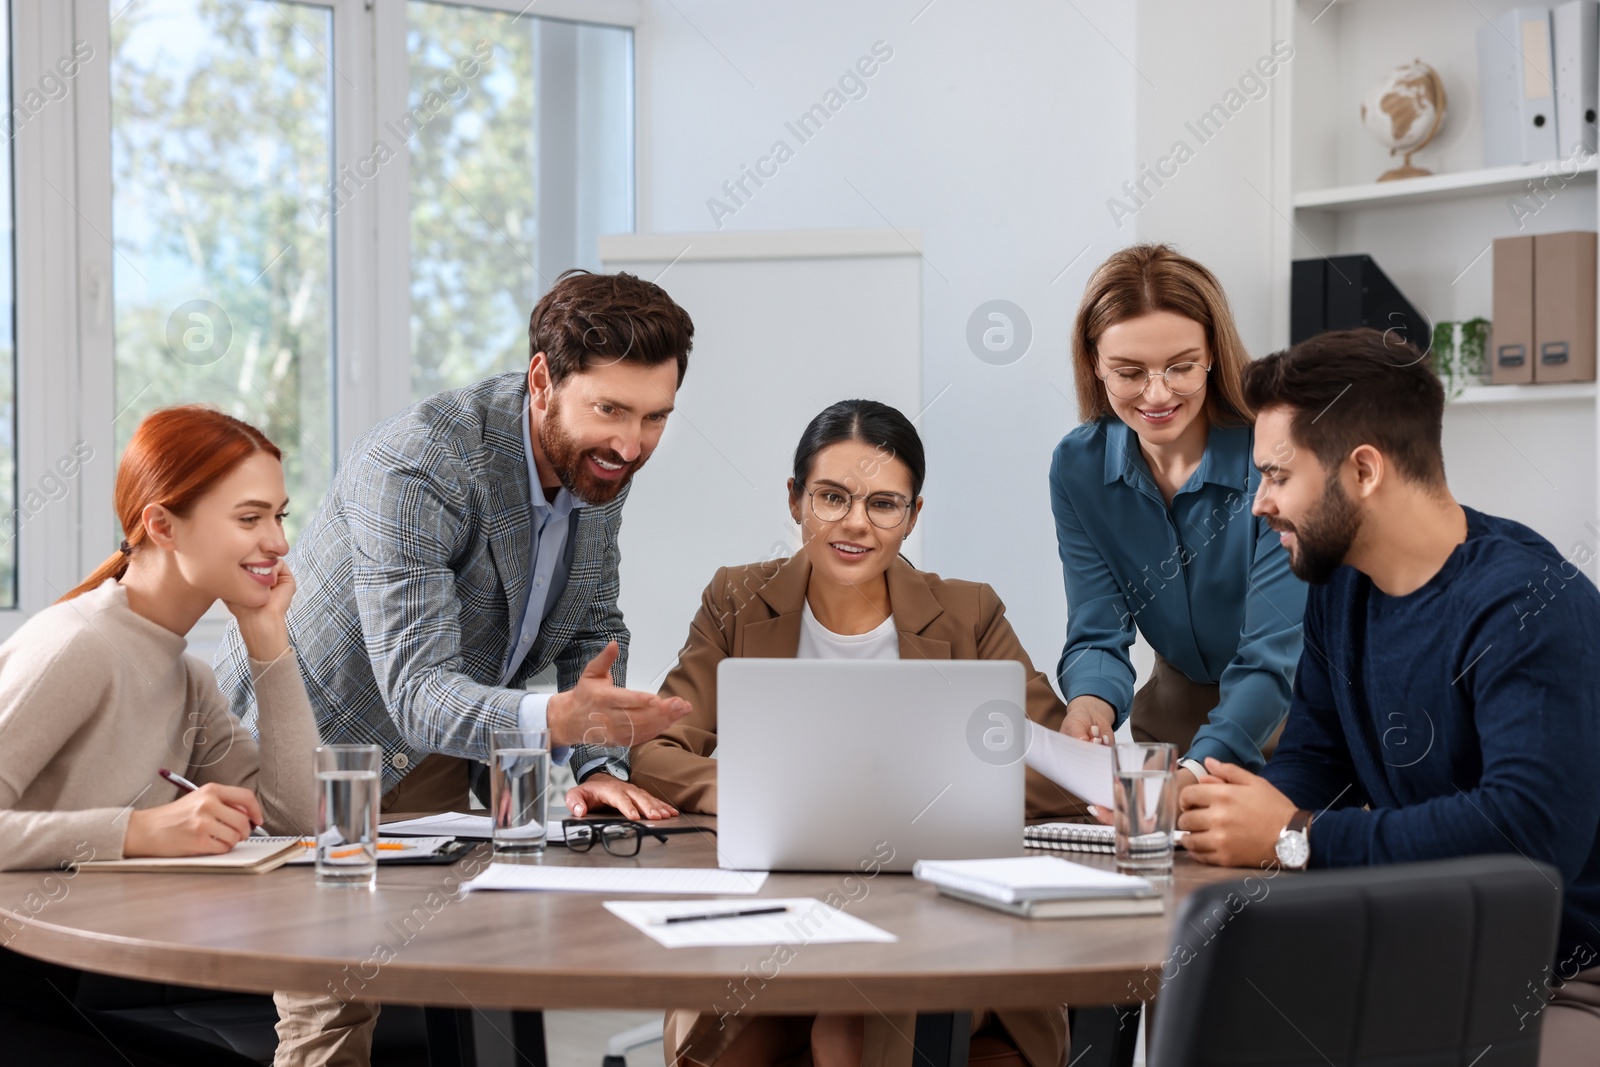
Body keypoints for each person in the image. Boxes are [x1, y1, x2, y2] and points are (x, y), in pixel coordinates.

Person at [213, 269, 696, 1067]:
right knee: (335, 1009)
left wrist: (598, 758)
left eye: (655, 417)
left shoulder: (600, 464)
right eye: (610, 409)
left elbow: (594, 627)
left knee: (501, 967)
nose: (631, 443)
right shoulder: (423, 459)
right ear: (542, 379)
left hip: (450, 750)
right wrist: (554, 722)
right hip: (323, 748)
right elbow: (413, 690)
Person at [1179, 328, 1600, 1065]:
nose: (1259, 504)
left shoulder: (1529, 605)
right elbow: (1315, 763)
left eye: (1277, 475)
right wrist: (1208, 805)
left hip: (1563, 974)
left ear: (1363, 469)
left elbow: (1529, 835)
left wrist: (1297, 837)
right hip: (1420, 947)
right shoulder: (1340, 585)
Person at [628, 400, 1083, 1067]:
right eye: (832, 497)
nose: (855, 524)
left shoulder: (967, 613)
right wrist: (748, 787)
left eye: (883, 504)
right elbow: (656, 748)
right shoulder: (737, 600)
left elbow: (1057, 764)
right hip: (778, 917)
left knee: (849, 1031)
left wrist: (928, 791)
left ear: (913, 515)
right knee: (724, 1049)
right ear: (795, 499)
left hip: (936, 922)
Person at [0, 406, 317, 1065]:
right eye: (250, 517)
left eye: (279, 516)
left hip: (54, 986)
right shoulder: (78, 647)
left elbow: (299, 816)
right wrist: (136, 831)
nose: (279, 542)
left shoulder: (186, 678)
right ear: (163, 525)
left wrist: (268, 642)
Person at [1051, 244, 1306, 800]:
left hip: (1299, 731)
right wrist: (1088, 709)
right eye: (1129, 372)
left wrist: (1191, 775)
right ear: (1095, 363)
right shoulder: (1079, 467)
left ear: (1213, 353)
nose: (1158, 394)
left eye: (1181, 367)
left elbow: (1271, 655)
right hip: (1170, 733)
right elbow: (1097, 628)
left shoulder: (1273, 452)